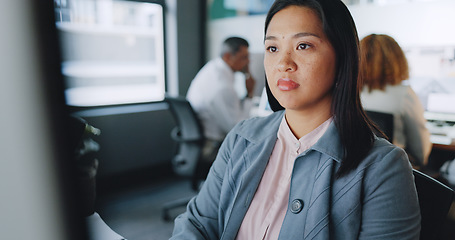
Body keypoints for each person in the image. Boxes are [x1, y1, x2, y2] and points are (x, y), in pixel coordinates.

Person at [172, 0, 421, 239]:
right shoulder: (242, 137)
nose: (283, 63)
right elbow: (197, 224)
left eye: (303, 45)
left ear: (343, 57)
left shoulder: (383, 167)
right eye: (272, 48)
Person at [359, 33, 432, 168]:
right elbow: (421, 151)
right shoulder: (404, 94)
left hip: (355, 173)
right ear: (397, 60)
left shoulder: (347, 93)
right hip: (393, 171)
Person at [186, 36, 256, 162]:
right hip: (213, 148)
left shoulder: (213, 68)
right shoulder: (222, 87)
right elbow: (238, 130)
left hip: (202, 142)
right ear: (228, 57)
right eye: (244, 57)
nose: (248, 62)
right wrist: (249, 93)